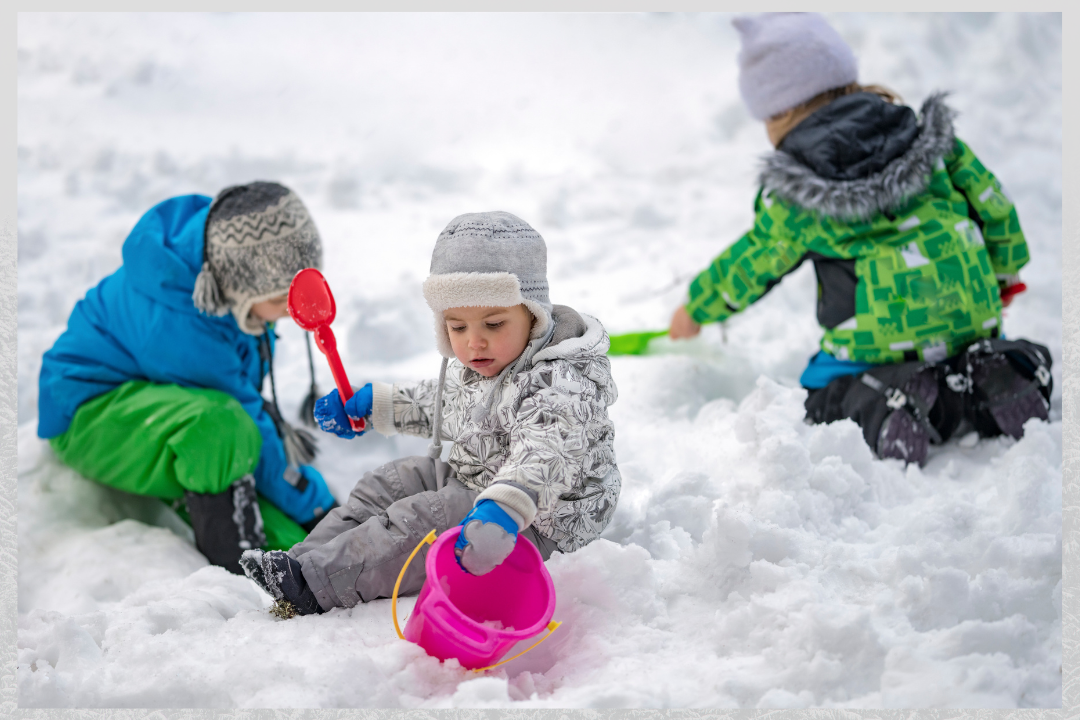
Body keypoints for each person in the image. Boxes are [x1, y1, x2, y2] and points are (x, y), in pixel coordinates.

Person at [667, 12, 1052, 466]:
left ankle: (884, 401)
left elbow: (753, 262)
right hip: (973, 316)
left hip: (877, 342)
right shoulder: (930, 137)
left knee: (820, 393)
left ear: (782, 111)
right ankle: (1001, 371)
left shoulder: (798, 191)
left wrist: (697, 307)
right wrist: (1004, 276)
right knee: (970, 351)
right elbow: (996, 206)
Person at [240, 211, 621, 616]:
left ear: (533, 314)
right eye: (457, 328)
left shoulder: (558, 382)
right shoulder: (489, 360)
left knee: (422, 522)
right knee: (387, 483)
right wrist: (377, 405)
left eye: (493, 323)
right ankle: (302, 563)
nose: (474, 342)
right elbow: (440, 402)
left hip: (538, 519)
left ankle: (313, 587)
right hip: (478, 478)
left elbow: (545, 455)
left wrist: (503, 512)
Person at [37, 181, 338, 573]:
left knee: (243, 450)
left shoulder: (223, 270)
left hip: (155, 399)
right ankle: (237, 557)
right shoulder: (184, 324)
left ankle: (278, 538)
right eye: (282, 298)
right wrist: (317, 506)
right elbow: (242, 416)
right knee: (222, 428)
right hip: (90, 415)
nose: (293, 308)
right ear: (239, 286)